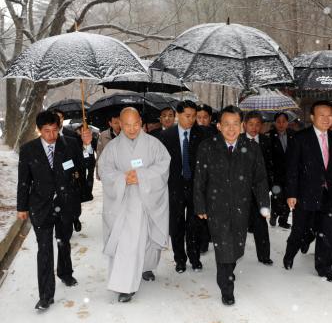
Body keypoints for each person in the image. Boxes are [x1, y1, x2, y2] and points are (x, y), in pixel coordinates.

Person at [193, 105, 269, 306]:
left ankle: (228, 269)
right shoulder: (207, 146)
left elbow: (260, 179)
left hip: (241, 206)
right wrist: (200, 205)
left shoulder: (251, 147)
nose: (231, 128)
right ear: (218, 126)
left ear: (242, 125)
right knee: (223, 245)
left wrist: (264, 203)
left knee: (236, 245)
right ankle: (226, 287)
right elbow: (199, 179)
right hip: (215, 206)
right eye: (226, 124)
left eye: (235, 124)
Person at [98, 107, 170, 303]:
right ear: (120, 124)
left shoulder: (154, 144)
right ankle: (125, 285)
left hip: (149, 197)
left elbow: (164, 165)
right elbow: (104, 170)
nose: (132, 129)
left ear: (141, 122)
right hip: (124, 201)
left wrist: (142, 176)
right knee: (127, 242)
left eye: (135, 124)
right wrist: (123, 179)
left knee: (147, 236)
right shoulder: (112, 147)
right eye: (127, 125)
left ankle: (145, 267)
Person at [17, 111, 86, 310]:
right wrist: (22, 207)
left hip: (65, 204)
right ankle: (46, 295)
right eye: (46, 131)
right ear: (39, 130)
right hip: (41, 207)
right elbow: (24, 181)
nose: (51, 135)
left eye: (55, 130)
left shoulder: (70, 145)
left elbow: (82, 168)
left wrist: (87, 147)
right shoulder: (29, 150)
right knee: (44, 249)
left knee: (64, 242)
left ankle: (65, 272)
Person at [283, 101, 332, 283]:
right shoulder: (300, 138)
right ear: (312, 117)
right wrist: (291, 193)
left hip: (329, 196)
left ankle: (324, 268)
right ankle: (290, 253)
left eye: (330, 115)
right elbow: (292, 169)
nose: (326, 119)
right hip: (305, 194)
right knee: (299, 230)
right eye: (322, 115)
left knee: (327, 232)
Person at [159, 100, 207, 273]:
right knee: (176, 225)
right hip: (174, 188)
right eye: (188, 116)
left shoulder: (202, 134)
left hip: (196, 188)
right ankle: (179, 259)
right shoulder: (165, 136)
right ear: (178, 115)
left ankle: (194, 258)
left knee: (194, 225)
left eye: (194, 116)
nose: (192, 120)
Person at [52, 109, 95, 230]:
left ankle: (74, 218)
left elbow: (83, 159)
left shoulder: (71, 136)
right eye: (55, 117)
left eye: (60, 117)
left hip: (72, 179)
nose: (58, 120)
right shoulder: (46, 139)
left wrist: (87, 145)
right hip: (56, 183)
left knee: (73, 207)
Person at [243, 110, 274, 266]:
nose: (254, 128)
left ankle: (264, 255)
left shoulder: (267, 142)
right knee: (238, 224)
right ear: (244, 125)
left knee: (261, 224)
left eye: (257, 124)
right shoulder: (238, 141)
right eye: (251, 124)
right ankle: (234, 253)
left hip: (260, 190)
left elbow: (271, 166)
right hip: (241, 190)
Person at [268, 112, 294, 229]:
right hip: (276, 173)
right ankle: (274, 214)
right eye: (278, 121)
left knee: (288, 196)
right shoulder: (269, 137)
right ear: (275, 123)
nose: (281, 124)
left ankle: (283, 220)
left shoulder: (294, 135)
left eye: (284, 121)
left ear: (287, 123)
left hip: (290, 173)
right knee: (277, 197)